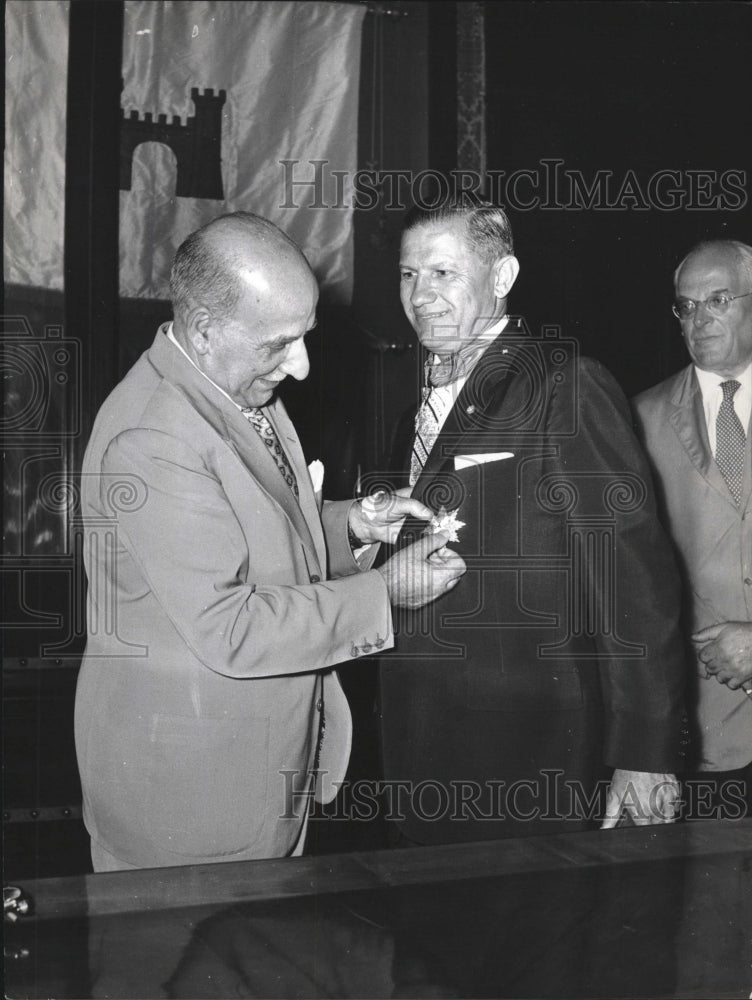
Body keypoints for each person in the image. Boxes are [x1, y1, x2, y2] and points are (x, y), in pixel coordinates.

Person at [75, 211, 466, 871]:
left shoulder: (233, 388)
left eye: (304, 336)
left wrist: (350, 526)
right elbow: (230, 626)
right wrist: (384, 594)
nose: (303, 366)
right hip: (193, 803)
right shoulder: (153, 438)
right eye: (280, 344)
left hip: (256, 772)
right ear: (204, 331)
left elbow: (257, 533)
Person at [378, 201, 685, 845]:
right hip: (418, 738)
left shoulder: (564, 385)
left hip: (529, 745)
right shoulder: (406, 404)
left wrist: (644, 751)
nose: (421, 296)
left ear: (503, 275)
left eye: (442, 273)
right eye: (409, 275)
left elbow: (633, 579)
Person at [633, 239, 752, 817]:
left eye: (718, 300)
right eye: (686, 306)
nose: (699, 318)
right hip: (702, 732)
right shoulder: (638, 419)